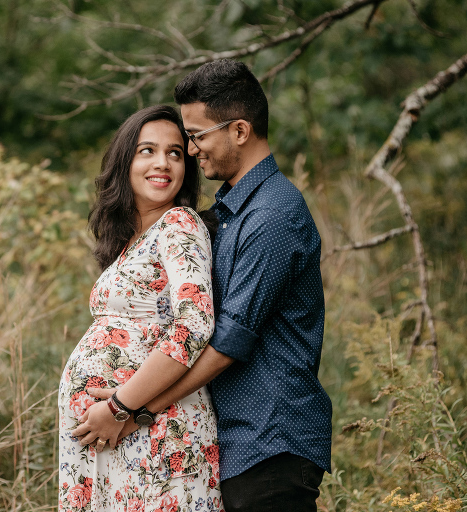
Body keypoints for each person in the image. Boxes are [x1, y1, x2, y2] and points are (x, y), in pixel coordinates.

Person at [86, 60, 333, 511]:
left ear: (239, 130)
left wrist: (134, 409)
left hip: (269, 439)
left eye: (196, 136)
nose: (193, 149)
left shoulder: (273, 215)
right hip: (240, 439)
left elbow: (225, 343)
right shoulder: (235, 210)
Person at [58, 105, 223, 512]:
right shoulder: (134, 240)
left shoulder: (179, 223)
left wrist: (119, 407)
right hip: (122, 440)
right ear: (124, 162)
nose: (162, 163)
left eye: (175, 153)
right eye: (147, 150)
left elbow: (195, 324)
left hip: (155, 436)